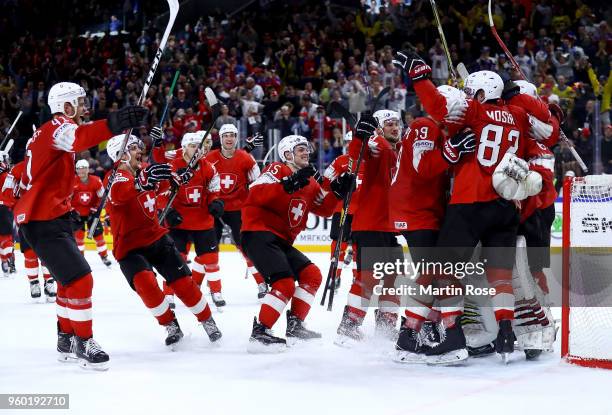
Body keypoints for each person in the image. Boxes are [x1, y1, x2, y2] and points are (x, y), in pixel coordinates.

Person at [393, 51, 552, 362]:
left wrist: (420, 78)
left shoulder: (475, 112)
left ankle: (449, 335)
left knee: (442, 269)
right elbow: (545, 129)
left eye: (470, 92)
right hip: (508, 207)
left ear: (480, 94)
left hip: (470, 202)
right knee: (501, 275)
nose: (465, 96)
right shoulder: (519, 117)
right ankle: (507, 332)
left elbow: (438, 106)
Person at [13, 81, 148, 370]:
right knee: (81, 279)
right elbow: (78, 138)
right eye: (80, 102)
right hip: (42, 218)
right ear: (66, 106)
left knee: (67, 281)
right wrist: (116, 122)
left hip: (53, 216)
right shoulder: (56, 127)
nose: (85, 107)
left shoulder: (47, 132)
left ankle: (66, 338)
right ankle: (83, 342)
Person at [105, 134, 222, 347]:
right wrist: (143, 181)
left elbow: (162, 188)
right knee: (146, 285)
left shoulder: (145, 170)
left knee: (184, 284)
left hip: (156, 237)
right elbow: (119, 194)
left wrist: (176, 179)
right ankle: (170, 325)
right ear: (119, 155)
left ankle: (207, 320)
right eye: (132, 148)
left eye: (138, 147)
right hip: (129, 247)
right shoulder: (116, 177)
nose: (139, 150)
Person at [389, 85, 477, 363]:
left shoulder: (438, 130)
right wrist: (452, 151)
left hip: (425, 211)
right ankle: (444, 335)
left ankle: (416, 333)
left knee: (434, 273)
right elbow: (423, 166)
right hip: (416, 212)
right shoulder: (425, 125)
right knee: (439, 273)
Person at [241, 135, 345, 352]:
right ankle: (260, 332)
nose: (306, 152)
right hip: (258, 233)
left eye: (306, 149)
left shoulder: (310, 182)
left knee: (312, 275)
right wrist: (288, 184)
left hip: (280, 240)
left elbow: (324, 209)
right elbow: (255, 195)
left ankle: (296, 324)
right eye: (300, 149)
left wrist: (337, 191)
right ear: (287, 154)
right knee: (285, 283)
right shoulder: (277, 170)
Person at [335, 109, 405, 345]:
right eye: (390, 124)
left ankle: (386, 328)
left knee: (393, 278)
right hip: (370, 224)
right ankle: (349, 326)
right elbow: (358, 154)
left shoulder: (396, 149)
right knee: (368, 279)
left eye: (397, 123)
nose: (395, 127)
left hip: (388, 227)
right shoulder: (378, 144)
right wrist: (359, 135)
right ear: (379, 128)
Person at [163, 131, 225, 309]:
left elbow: (214, 190)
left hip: (202, 220)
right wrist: (170, 211)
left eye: (199, 146)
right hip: (180, 222)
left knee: (211, 258)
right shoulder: (173, 166)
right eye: (192, 146)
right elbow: (163, 193)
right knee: (176, 259)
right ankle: (168, 293)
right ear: (184, 148)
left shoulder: (209, 167)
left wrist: (216, 203)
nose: (196, 149)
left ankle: (216, 290)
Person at [206, 123, 266, 302]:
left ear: (236, 138)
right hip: (215, 207)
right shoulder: (210, 158)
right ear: (221, 138)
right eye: (226, 135)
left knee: (246, 247)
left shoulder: (246, 158)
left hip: (238, 209)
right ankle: (215, 289)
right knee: (209, 249)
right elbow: (202, 180)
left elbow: (257, 182)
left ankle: (262, 283)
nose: (229, 138)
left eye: (232, 135)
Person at [2, 160, 55, 299]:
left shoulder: (50, 164)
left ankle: (49, 281)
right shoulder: (17, 170)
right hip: (26, 217)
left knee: (47, 252)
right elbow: (6, 194)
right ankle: (34, 282)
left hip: (46, 214)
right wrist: (16, 205)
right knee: (30, 253)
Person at [321, 132, 363, 293]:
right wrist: (337, 183)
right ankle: (334, 276)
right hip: (343, 209)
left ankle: (357, 278)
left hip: (364, 211)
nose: (351, 146)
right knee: (339, 244)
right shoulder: (340, 161)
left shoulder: (371, 161)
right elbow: (325, 183)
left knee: (360, 246)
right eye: (348, 143)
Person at [71, 159, 111, 266]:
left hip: (92, 213)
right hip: (77, 214)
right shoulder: (72, 182)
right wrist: (72, 211)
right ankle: (80, 258)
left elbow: (103, 198)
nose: (81, 171)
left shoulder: (96, 180)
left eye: (84, 168)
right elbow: (66, 199)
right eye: (79, 169)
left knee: (98, 236)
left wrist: (95, 211)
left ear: (88, 169)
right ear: (76, 170)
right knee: (78, 237)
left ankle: (104, 256)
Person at [0, 149, 16, 276]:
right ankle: (7, 259)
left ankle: (5, 260)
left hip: (5, 208)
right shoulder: (8, 176)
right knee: (7, 238)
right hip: (5, 208)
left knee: (3, 238)